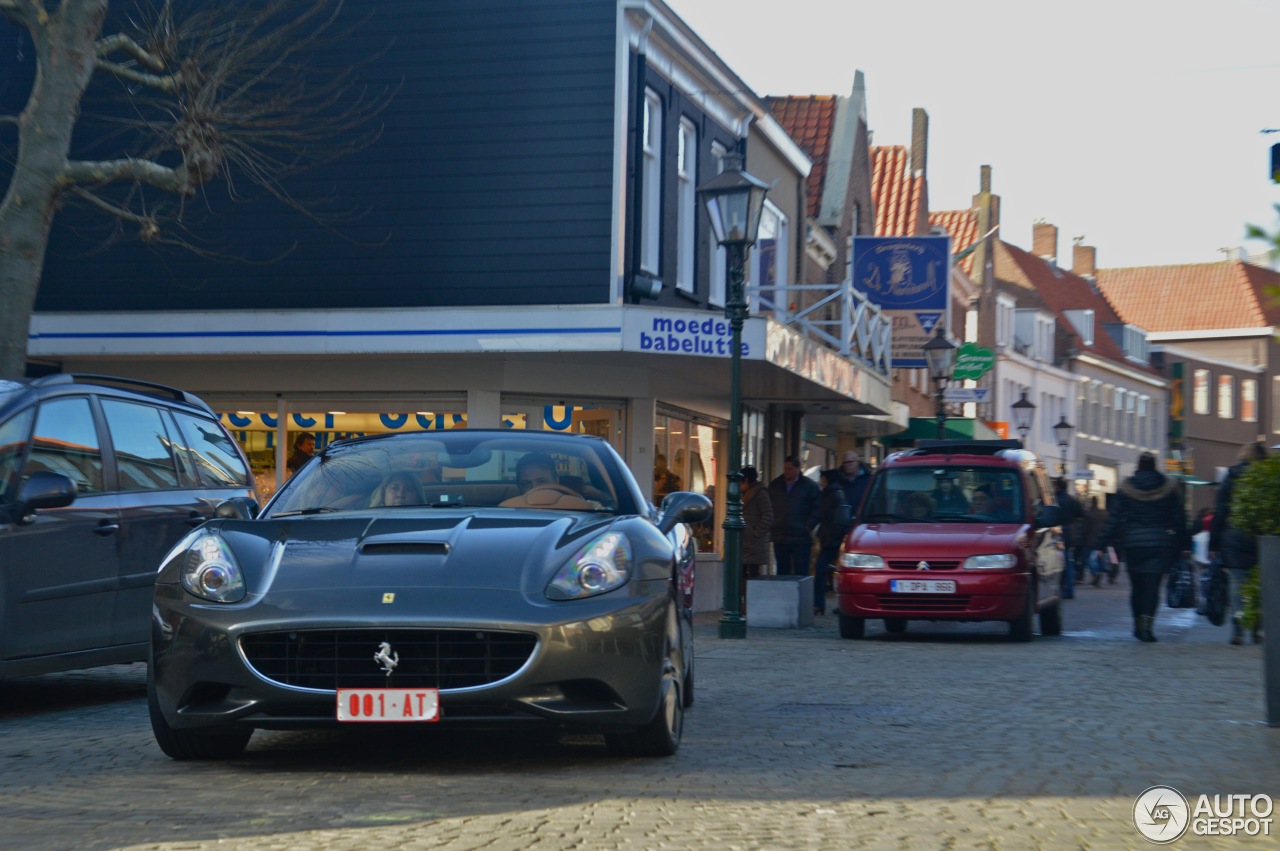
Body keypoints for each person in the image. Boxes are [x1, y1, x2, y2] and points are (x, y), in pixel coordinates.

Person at [1092, 452, 1190, 642]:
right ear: (1155, 465)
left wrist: (1100, 543)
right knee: (1152, 588)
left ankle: (1137, 624)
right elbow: (1179, 519)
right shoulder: (1168, 488)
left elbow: (1114, 519)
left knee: (1137, 588)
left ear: (1138, 465)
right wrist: (1184, 544)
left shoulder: (1127, 488)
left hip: (1133, 543)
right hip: (1160, 543)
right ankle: (1147, 627)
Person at [1210, 442, 1268, 645]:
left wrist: (1213, 544)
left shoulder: (1231, 476)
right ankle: (1257, 630)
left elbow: (1220, 512)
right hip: (1262, 538)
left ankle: (1238, 629)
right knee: (1260, 586)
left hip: (1234, 537)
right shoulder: (1268, 478)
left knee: (1237, 585)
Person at [767, 455, 821, 578]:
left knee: (801, 570)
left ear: (798, 469)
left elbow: (818, 507)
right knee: (782, 569)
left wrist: (809, 526)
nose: (786, 471)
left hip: (801, 536)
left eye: (790, 468)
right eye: (785, 468)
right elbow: (768, 506)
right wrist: (773, 524)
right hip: (780, 534)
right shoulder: (776, 485)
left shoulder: (809, 486)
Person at [814, 469, 852, 615]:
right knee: (823, 570)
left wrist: (836, 534)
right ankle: (819, 604)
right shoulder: (830, 493)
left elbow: (840, 518)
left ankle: (821, 604)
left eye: (822, 478)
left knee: (825, 571)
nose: (821, 481)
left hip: (833, 540)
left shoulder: (834, 493)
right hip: (830, 539)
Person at [740, 466, 774, 582]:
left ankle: (750, 599)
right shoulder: (746, 493)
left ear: (746, 480)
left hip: (753, 541)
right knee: (743, 573)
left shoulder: (760, 493)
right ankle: (744, 598)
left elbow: (768, 515)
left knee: (753, 574)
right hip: (747, 541)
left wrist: (755, 532)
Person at [1053, 478, 1084, 599]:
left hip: (1060, 532)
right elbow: (1081, 514)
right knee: (1068, 561)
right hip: (1070, 531)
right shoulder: (1072, 499)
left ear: (1059, 487)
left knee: (1061, 561)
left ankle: (1064, 588)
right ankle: (1069, 588)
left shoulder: (1056, 500)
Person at [1080, 495, 1110, 587]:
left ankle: (1095, 573)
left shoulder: (1089, 514)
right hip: (1101, 539)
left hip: (1089, 540)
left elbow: (1085, 529)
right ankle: (1098, 573)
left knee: (1088, 559)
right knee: (1099, 558)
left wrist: (1082, 538)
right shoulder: (1104, 514)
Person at [834, 451, 872, 522]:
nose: (847, 465)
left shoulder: (868, 479)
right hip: (843, 522)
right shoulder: (837, 480)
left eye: (850, 462)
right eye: (845, 463)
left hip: (863, 520)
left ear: (857, 462)